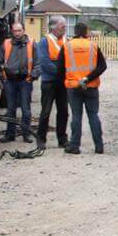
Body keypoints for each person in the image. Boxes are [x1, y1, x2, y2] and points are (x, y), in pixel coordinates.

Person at [63, 22, 107, 155]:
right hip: (91, 87)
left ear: (75, 32)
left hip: (74, 87)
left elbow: (60, 68)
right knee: (93, 115)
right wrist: (88, 78)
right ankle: (99, 146)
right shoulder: (93, 46)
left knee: (76, 116)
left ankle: (74, 146)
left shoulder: (67, 46)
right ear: (86, 32)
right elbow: (102, 66)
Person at [0, 21, 36, 142]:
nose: (17, 33)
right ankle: (10, 134)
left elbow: (38, 63)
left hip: (25, 81)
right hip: (10, 81)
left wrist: (32, 77)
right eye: (15, 31)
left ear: (24, 30)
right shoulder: (6, 44)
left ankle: (26, 135)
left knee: (25, 109)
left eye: (19, 30)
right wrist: (2, 78)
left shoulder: (32, 44)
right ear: (12, 32)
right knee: (11, 109)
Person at [34, 15, 69, 150]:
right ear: (54, 27)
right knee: (46, 111)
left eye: (65, 26)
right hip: (49, 82)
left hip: (62, 82)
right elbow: (44, 62)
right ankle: (41, 139)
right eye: (62, 26)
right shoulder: (44, 42)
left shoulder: (67, 41)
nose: (64, 29)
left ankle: (62, 139)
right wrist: (61, 73)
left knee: (63, 111)